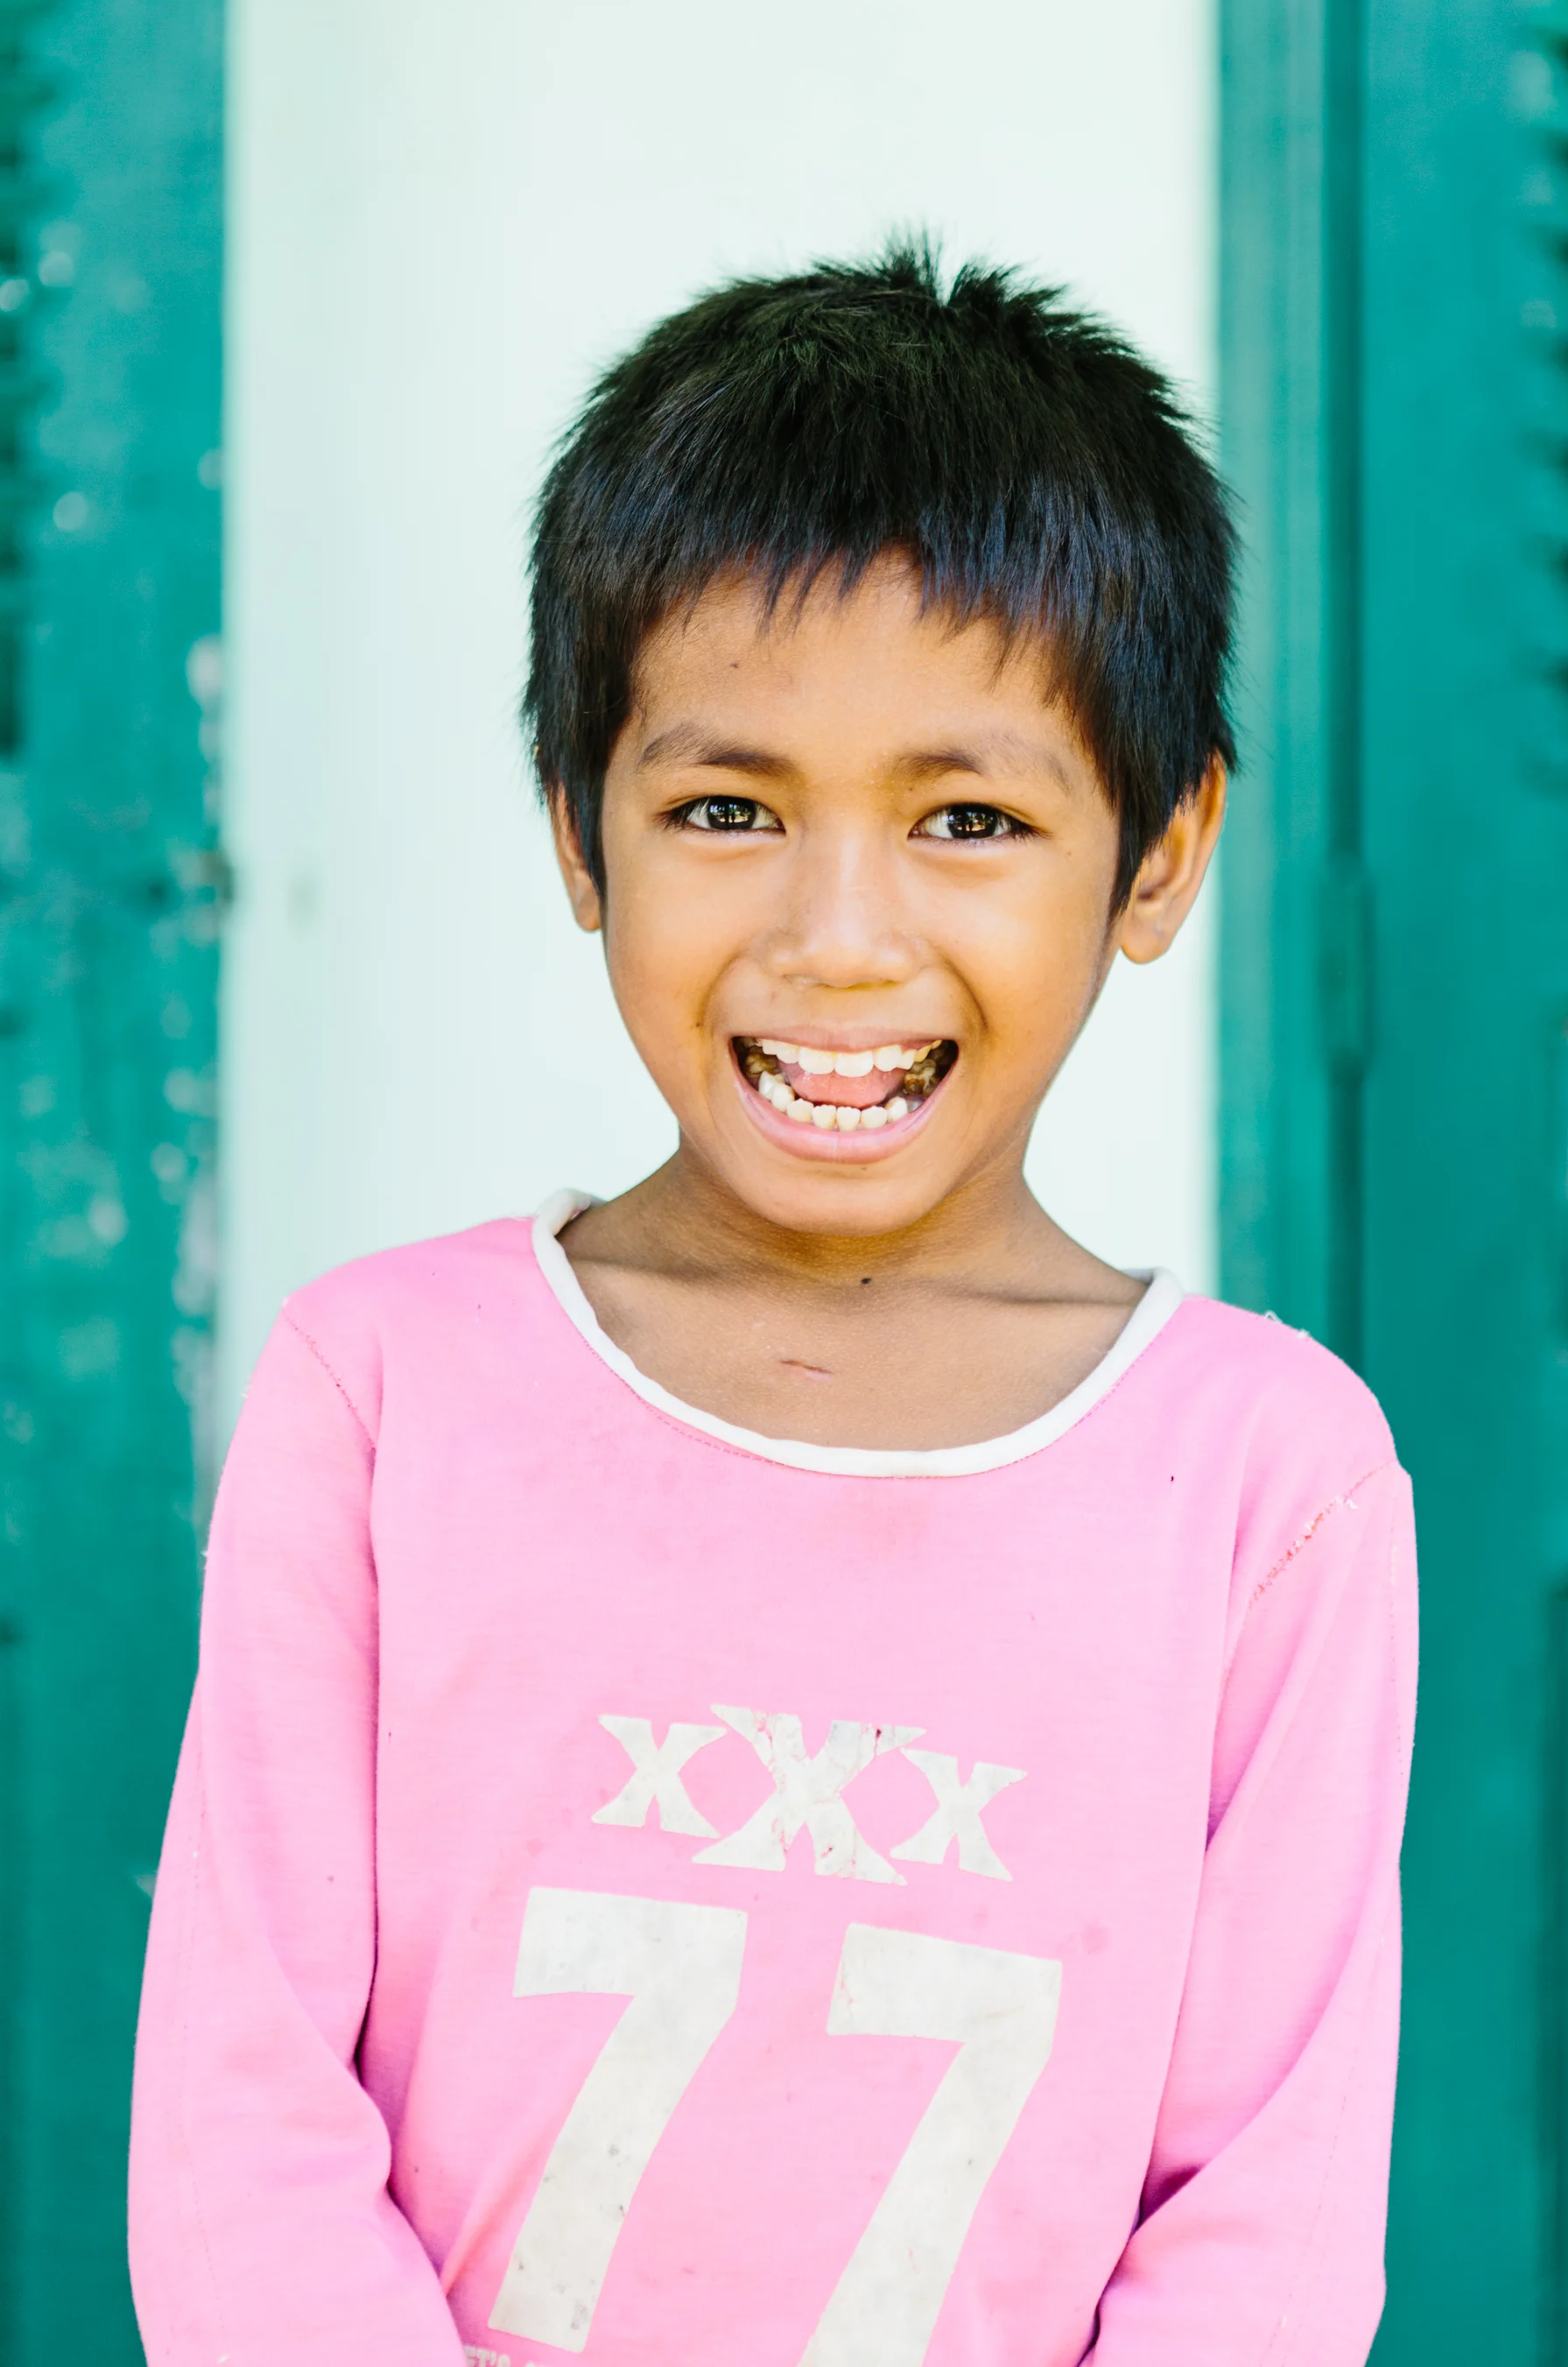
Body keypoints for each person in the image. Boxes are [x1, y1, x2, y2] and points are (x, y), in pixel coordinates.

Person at [129, 243, 1416, 2367]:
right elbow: (246, 2124)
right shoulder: (383, 1398)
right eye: (725, 810)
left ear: (1161, 852)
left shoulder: (1267, 1488)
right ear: (580, 832)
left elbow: (1254, 2233)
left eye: (969, 818)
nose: (838, 938)